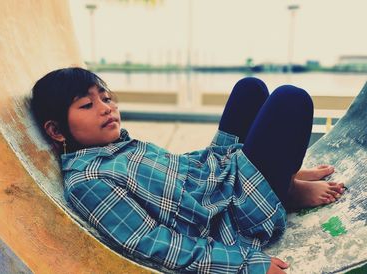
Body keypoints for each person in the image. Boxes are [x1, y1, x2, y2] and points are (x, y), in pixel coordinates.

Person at [31, 67, 345, 274]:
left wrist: (223, 159)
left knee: (250, 88)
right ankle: (285, 190)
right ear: (57, 131)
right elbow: (152, 242)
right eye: (87, 106)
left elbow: (180, 172)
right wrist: (246, 264)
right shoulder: (89, 182)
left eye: (106, 98)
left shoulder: (116, 147)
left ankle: (284, 176)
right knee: (291, 100)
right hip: (234, 212)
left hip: (215, 179)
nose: (106, 108)